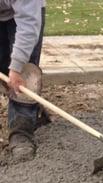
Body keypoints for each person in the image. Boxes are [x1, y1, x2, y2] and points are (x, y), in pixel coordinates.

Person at [0, 0, 46, 160]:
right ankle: (35, 110)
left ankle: (21, 133)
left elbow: (28, 25)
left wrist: (17, 67)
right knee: (3, 69)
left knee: (25, 75)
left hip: (27, 13)